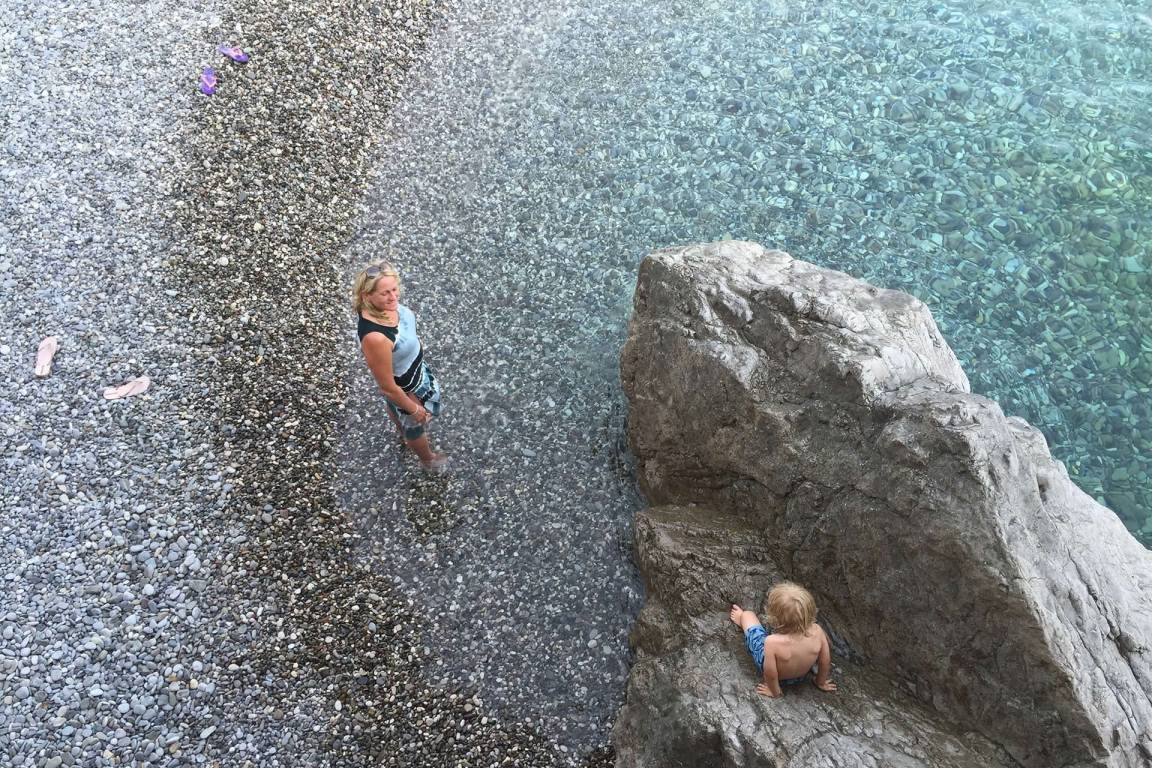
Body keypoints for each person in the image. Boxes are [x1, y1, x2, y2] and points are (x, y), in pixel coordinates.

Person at [352, 262, 448, 471]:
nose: (393, 297)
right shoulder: (375, 338)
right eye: (385, 293)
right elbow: (387, 387)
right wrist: (413, 408)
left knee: (400, 414)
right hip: (405, 388)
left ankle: (401, 430)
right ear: (367, 296)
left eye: (394, 289)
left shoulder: (383, 306)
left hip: (412, 371)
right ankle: (428, 460)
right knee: (415, 427)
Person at [729, 582, 837, 697]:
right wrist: (820, 682)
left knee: (747, 615)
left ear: (775, 618)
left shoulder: (771, 642)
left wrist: (774, 691)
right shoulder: (818, 631)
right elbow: (825, 661)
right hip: (801, 676)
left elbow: (770, 673)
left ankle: (741, 619)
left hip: (779, 679)